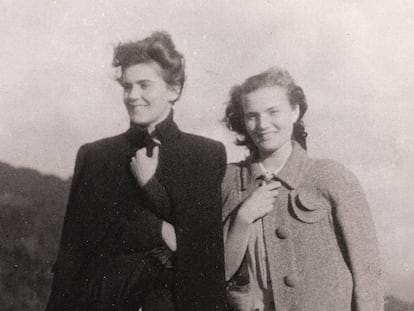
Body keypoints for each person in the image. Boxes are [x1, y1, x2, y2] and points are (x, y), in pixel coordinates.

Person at [46, 31, 228, 311]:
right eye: (127, 87)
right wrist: (158, 229)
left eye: (144, 85)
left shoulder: (205, 154)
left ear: (173, 89)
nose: (133, 96)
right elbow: (74, 255)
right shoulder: (95, 156)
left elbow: (204, 256)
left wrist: (149, 186)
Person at [222, 66, 383, 311]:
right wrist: (242, 220)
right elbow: (215, 273)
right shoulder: (229, 180)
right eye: (252, 115)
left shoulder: (331, 177)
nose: (262, 124)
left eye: (273, 112)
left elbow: (367, 271)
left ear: (295, 111)